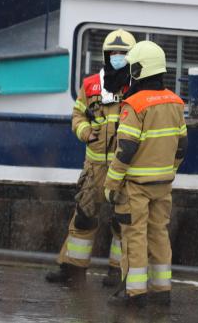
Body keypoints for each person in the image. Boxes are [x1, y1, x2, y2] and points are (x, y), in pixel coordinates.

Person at [45, 29, 136, 287]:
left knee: (123, 221)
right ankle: (72, 269)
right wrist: (85, 132)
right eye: (114, 53)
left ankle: (119, 272)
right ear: (106, 55)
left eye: (123, 54)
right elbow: (78, 116)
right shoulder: (91, 85)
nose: (118, 57)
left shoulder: (137, 85)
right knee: (84, 215)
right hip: (95, 165)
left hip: (124, 167)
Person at [104, 41, 187, 308]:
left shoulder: (134, 104)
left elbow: (125, 149)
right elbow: (182, 145)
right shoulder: (175, 102)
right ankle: (162, 291)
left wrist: (111, 183)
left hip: (136, 186)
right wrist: (169, 171)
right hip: (163, 185)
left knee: (135, 235)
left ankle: (135, 294)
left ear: (140, 69)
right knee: (159, 234)